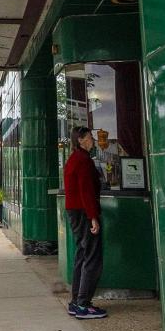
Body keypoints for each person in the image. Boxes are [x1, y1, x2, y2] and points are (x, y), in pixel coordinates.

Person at [63, 125, 105, 319]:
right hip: (83, 212)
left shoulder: (74, 159)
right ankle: (83, 303)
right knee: (91, 256)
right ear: (80, 140)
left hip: (75, 212)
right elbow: (86, 191)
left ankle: (76, 302)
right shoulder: (83, 161)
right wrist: (93, 217)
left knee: (82, 255)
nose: (93, 140)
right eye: (89, 137)